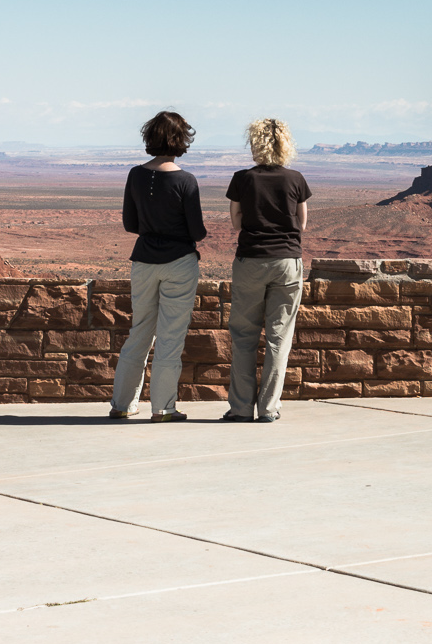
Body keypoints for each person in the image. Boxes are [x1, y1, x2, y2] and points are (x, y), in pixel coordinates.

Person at [112, 110, 207, 422]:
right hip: (179, 263)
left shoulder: (135, 175)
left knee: (139, 331)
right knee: (170, 336)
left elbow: (130, 223)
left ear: (150, 137)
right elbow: (197, 232)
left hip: (143, 260)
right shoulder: (185, 181)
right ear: (181, 140)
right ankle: (163, 408)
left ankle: (123, 404)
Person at [223, 117, 310, 422]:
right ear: (285, 144)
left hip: (250, 260)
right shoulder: (295, 179)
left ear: (255, 144)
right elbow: (301, 224)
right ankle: (269, 408)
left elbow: (236, 221)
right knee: (278, 337)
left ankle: (240, 408)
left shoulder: (242, 179)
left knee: (244, 336)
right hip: (287, 262)